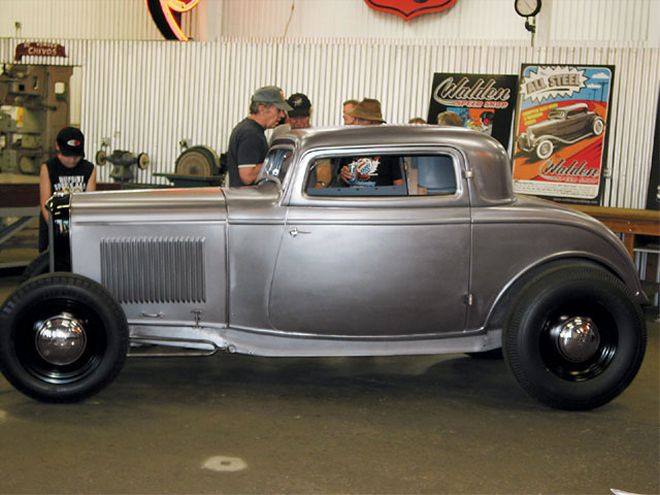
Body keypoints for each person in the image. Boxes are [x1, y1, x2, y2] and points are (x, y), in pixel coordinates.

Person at [39, 126, 96, 252]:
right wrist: (58, 228)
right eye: (67, 155)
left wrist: (80, 229)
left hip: (80, 230)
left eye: (76, 156)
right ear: (57, 147)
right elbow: (45, 204)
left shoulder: (89, 169)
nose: (72, 160)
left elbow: (89, 203)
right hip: (53, 230)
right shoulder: (48, 168)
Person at [226, 85, 292, 187]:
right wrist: (278, 160)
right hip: (248, 200)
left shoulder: (249, 130)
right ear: (262, 108)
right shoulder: (251, 135)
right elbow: (247, 176)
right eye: (279, 110)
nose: (282, 115)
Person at [336, 98, 403, 187]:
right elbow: (338, 180)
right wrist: (342, 175)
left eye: (362, 120)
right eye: (357, 119)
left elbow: (398, 184)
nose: (357, 123)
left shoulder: (390, 147)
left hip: (380, 199)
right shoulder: (349, 145)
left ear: (375, 122)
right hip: (352, 198)